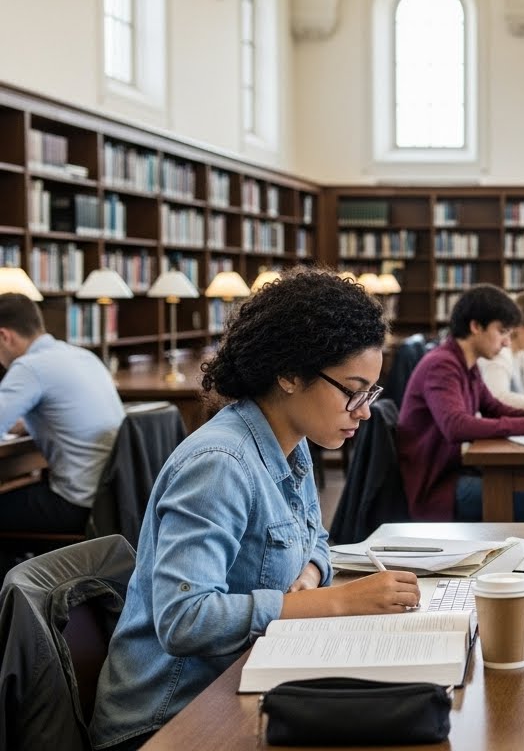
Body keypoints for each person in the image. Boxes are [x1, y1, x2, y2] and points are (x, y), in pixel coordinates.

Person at [91, 270, 420, 751]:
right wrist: (334, 601)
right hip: (170, 718)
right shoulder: (220, 465)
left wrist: (309, 575)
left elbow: (317, 541)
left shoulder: (293, 442)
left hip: (245, 678)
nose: (364, 411)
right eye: (352, 390)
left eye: (370, 392)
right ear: (288, 374)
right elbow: (185, 618)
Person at [398, 284, 524, 522]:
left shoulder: (468, 363)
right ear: (476, 326)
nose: (507, 343)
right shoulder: (442, 365)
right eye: (502, 332)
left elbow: (494, 407)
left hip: (459, 469)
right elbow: (456, 426)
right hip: (439, 485)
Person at [0, 292, 124, 534]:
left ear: (4, 336)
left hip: (76, 504)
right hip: (113, 498)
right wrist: (25, 425)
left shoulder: (29, 366)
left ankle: (14, 570)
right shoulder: (83, 356)